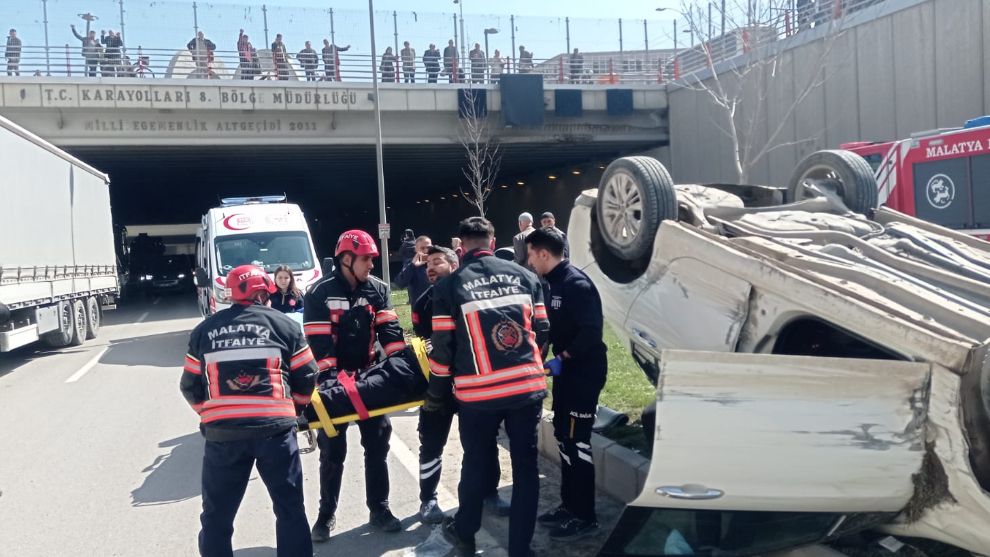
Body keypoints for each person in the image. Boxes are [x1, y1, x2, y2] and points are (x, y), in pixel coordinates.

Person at [428, 216, 549, 557]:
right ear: (493, 243)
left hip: (478, 395)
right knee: (526, 468)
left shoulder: (449, 287)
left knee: (476, 463)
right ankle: (521, 549)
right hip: (526, 390)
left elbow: (443, 348)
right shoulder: (526, 276)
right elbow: (543, 330)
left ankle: (465, 534)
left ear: (461, 247)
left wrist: (437, 394)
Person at [180, 264, 318, 557]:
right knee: (289, 508)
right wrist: (295, 408)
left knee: (217, 515)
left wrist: (211, 413)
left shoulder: (205, 330)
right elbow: (307, 374)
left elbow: (189, 385)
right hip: (276, 432)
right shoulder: (285, 325)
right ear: (262, 292)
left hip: (224, 435)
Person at [303, 229, 406, 543]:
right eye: (366, 259)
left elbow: (391, 335)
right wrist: (338, 392)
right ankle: (325, 515)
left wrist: (399, 373)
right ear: (346, 259)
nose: (371, 265)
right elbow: (320, 350)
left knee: (378, 446)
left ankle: (380, 508)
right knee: (333, 452)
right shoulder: (318, 293)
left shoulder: (378, 289)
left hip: (369, 378)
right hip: (333, 384)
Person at [412, 246, 510, 524]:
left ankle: (489, 492)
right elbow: (425, 344)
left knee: (484, 440)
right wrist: (435, 388)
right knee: (431, 441)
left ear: (454, 265)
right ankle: (428, 500)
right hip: (439, 386)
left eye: (437, 261)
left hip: (474, 383)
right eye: (427, 263)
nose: (430, 267)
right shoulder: (421, 304)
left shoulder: (471, 293)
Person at [525, 227, 607, 540]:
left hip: (583, 376)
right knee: (562, 437)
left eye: (531, 254)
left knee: (577, 444)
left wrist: (565, 357)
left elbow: (592, 332)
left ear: (543, 253)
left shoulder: (576, 284)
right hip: (566, 375)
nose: (529, 260)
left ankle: (585, 516)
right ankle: (568, 506)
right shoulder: (549, 283)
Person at [394, 235, 432, 307]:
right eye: (422, 248)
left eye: (428, 247)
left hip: (437, 309)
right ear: (416, 249)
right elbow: (400, 283)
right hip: (420, 309)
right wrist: (413, 266)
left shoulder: (437, 263)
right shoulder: (411, 264)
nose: (426, 250)